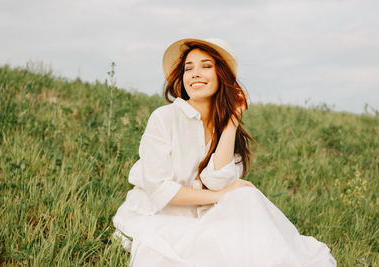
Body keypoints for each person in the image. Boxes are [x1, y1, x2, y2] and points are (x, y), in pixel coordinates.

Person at [113, 38, 337, 267]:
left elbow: (218, 181)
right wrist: (220, 196)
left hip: (201, 215)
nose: (195, 74)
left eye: (206, 66)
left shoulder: (225, 128)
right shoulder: (164, 118)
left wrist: (232, 121)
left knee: (246, 198)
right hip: (159, 216)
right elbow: (159, 189)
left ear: (222, 75)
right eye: (188, 68)